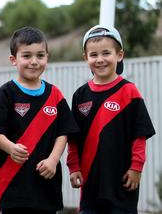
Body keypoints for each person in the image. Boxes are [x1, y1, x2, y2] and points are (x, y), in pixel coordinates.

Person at [0, 26, 78, 214]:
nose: (34, 62)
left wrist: (53, 159)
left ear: (47, 58)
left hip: (46, 189)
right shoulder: (6, 93)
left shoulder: (55, 94)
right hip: (13, 187)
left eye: (40, 56)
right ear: (13, 60)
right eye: (26, 56)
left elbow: (64, 131)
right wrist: (11, 148)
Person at [66, 25, 155, 214]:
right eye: (93, 55)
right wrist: (73, 167)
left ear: (119, 55)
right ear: (85, 58)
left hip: (122, 182)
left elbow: (139, 135)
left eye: (106, 53)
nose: (100, 60)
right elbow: (73, 138)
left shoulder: (129, 92)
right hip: (90, 184)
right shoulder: (80, 96)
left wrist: (136, 168)